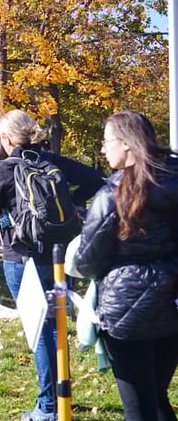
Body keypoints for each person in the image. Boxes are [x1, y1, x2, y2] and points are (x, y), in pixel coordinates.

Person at [0, 109, 103, 421]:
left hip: (22, 257)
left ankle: (49, 406)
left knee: (40, 330)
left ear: (7, 138)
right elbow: (96, 179)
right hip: (60, 255)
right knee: (58, 326)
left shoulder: (3, 170)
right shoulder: (52, 161)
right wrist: (71, 203)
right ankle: (63, 397)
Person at [72, 111, 178, 421]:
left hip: (127, 311)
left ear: (127, 144)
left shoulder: (112, 194)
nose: (102, 149)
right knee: (157, 397)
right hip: (171, 303)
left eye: (106, 142)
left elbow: (87, 262)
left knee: (138, 407)